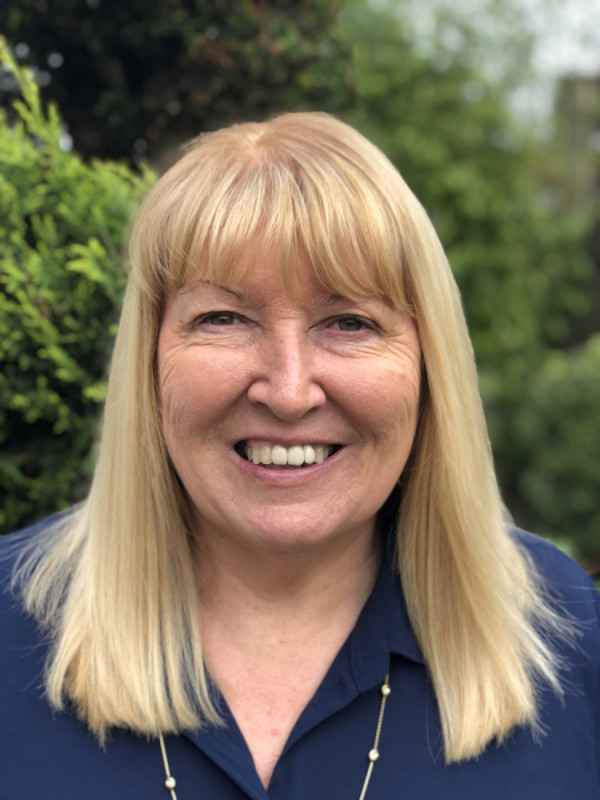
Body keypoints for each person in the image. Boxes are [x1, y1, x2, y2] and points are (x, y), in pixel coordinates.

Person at [1, 112, 598, 800]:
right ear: (150, 364)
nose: (288, 393)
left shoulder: (569, 639)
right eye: (223, 318)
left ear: (430, 367)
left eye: (350, 323)